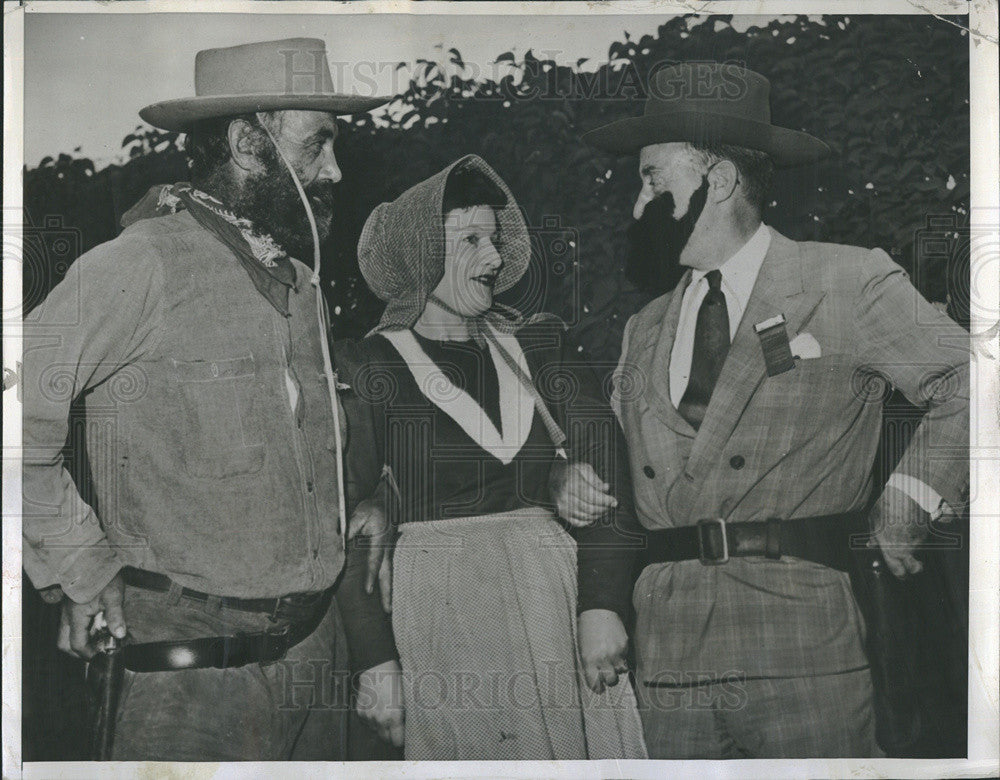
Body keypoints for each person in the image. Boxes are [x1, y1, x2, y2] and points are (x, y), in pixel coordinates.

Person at [21, 38, 403, 760]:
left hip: (315, 667)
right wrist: (81, 565)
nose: (337, 170)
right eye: (317, 144)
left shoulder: (301, 281)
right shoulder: (138, 266)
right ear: (246, 141)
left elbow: (304, 446)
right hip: (190, 684)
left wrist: (368, 496)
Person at [583, 62, 969, 758]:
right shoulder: (643, 327)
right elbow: (615, 482)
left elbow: (977, 378)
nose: (636, 205)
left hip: (803, 649)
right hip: (668, 660)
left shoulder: (846, 281)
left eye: (651, 179)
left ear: (720, 180)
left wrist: (914, 493)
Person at [335, 154, 648, 760]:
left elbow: (606, 466)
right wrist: (375, 660)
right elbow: (350, 522)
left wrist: (602, 605)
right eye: (472, 240)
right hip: (439, 620)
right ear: (421, 253)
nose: (496, 257)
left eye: (496, 239)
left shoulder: (540, 346)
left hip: (554, 610)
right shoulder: (366, 365)